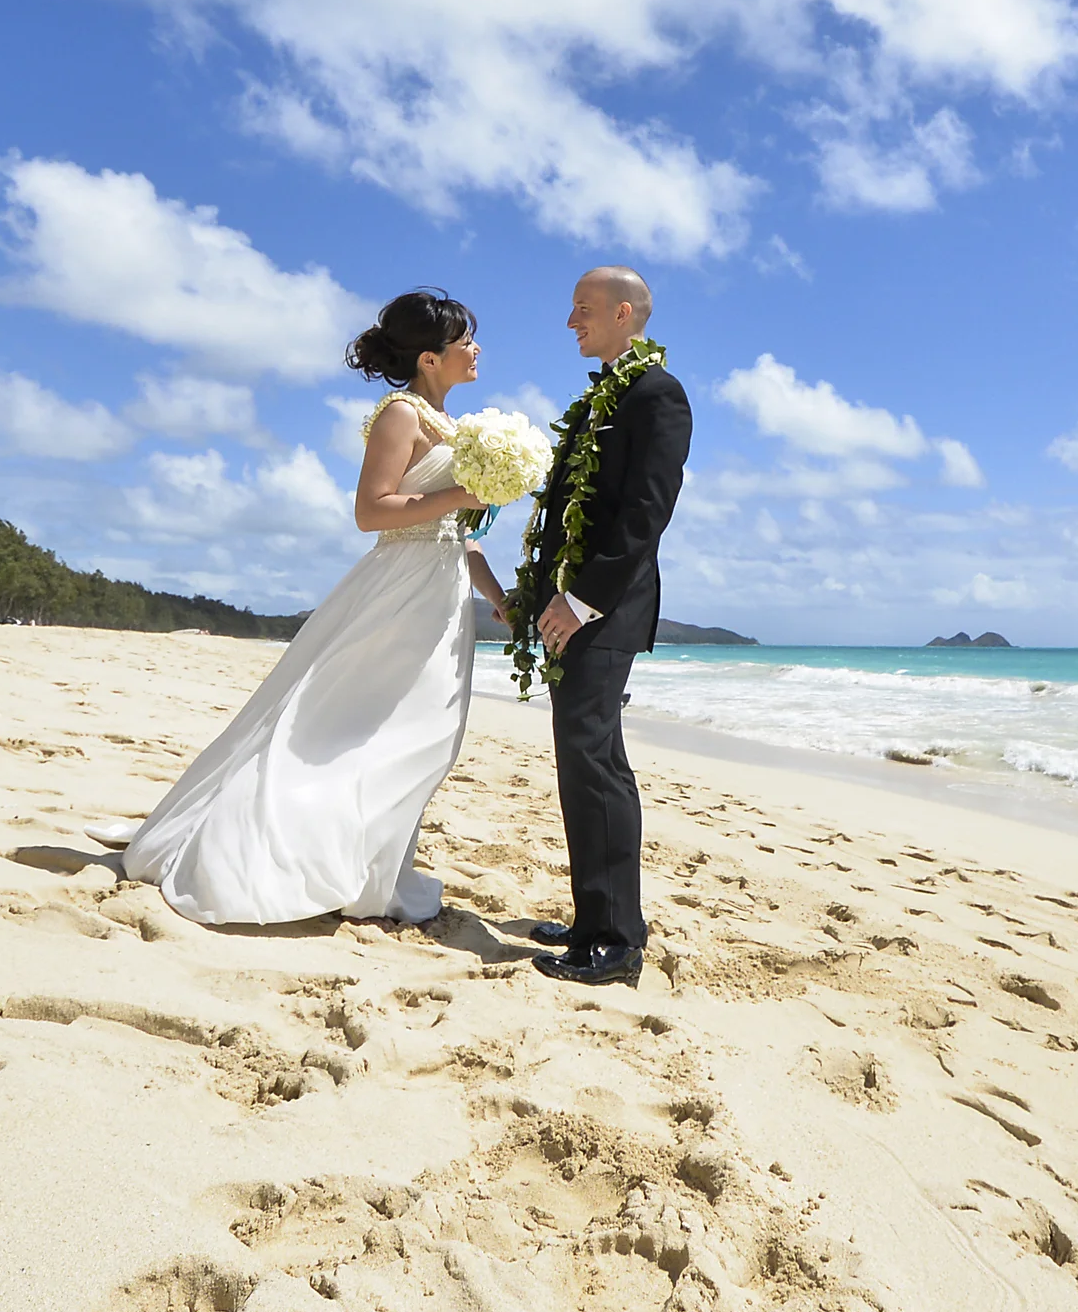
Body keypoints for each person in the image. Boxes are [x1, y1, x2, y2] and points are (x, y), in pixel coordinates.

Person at [86, 291, 511, 925]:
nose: (476, 350)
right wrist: (458, 493)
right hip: (399, 593)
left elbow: (458, 534)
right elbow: (373, 512)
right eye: (465, 342)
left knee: (422, 736)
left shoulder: (452, 426)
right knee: (367, 727)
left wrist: (499, 597)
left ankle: (367, 862)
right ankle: (295, 854)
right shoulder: (401, 414)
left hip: (442, 594)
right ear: (429, 358)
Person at [519, 267, 692, 984]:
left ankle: (616, 942)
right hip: (573, 607)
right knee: (585, 760)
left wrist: (582, 600)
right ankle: (598, 918)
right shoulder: (599, 398)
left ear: (625, 314)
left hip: (605, 609)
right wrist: (539, 593)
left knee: (594, 764)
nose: (570, 323)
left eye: (582, 310)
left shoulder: (658, 394)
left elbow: (645, 516)